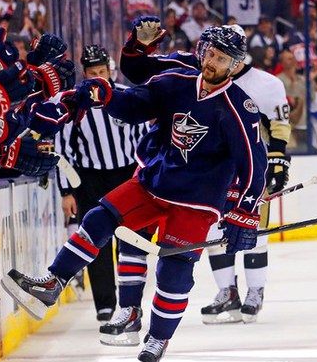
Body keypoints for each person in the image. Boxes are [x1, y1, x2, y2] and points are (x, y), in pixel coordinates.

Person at [2, 25, 267, 362]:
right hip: (154, 183)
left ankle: (158, 337)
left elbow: (254, 165)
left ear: (234, 66)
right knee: (98, 218)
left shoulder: (239, 107)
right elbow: (135, 104)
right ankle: (54, 282)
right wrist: (106, 94)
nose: (212, 62)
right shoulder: (176, 82)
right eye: (211, 54)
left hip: (197, 203)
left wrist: (244, 211)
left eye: (222, 59)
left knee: (174, 270)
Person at [114, 18, 290, 326]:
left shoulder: (266, 84)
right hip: (206, 174)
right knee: (211, 233)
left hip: (245, 170)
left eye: (226, 53)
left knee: (251, 231)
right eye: (213, 50)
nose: (216, 57)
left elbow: (278, 126)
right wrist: (137, 48)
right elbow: (139, 71)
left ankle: (255, 290)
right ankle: (227, 291)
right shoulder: (191, 67)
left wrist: (277, 162)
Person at [55, 45, 149, 323]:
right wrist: (66, 191)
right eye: (92, 72)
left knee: (130, 241)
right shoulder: (74, 102)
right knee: (95, 240)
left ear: (110, 71)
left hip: (128, 177)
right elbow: (63, 150)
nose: (98, 77)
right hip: (90, 180)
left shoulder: (127, 96)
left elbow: (145, 139)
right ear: (84, 73)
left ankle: (130, 302)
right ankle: (105, 304)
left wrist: (146, 178)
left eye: (102, 71)